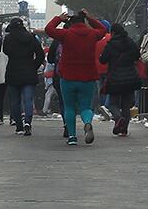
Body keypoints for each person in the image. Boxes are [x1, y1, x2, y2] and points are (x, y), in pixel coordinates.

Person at [45, 9, 108, 146]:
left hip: (68, 77)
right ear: (83, 22)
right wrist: (89, 17)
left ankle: (72, 137)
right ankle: (87, 122)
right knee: (86, 107)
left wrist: (59, 18)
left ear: (71, 23)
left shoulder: (66, 34)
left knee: (69, 107)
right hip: (88, 77)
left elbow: (48, 29)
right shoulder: (92, 34)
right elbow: (103, 29)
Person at [1, 18, 44, 135]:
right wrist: (33, 66)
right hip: (29, 72)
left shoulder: (8, 39)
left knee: (15, 101)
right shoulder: (31, 38)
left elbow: (5, 51)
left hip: (13, 72)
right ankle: (28, 122)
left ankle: (19, 126)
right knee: (28, 100)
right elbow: (40, 54)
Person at [101, 23, 142, 136]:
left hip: (115, 78)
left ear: (113, 32)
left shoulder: (111, 44)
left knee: (112, 104)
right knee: (126, 105)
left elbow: (103, 60)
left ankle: (118, 118)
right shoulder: (130, 42)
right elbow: (137, 55)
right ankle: (124, 129)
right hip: (130, 78)